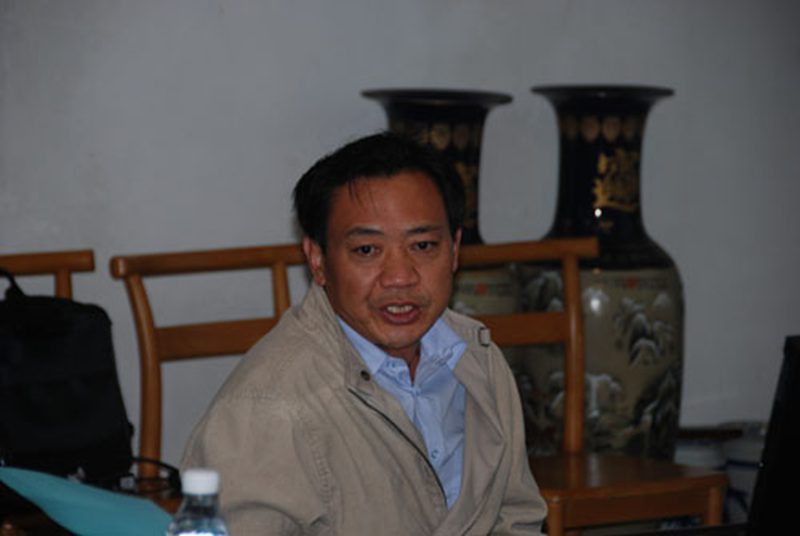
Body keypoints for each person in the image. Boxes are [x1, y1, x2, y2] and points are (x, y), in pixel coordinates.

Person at [182, 132, 547, 535]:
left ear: (455, 249)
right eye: (367, 251)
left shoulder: (477, 359)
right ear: (318, 260)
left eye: (424, 245)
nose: (400, 277)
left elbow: (517, 518)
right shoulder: (264, 411)